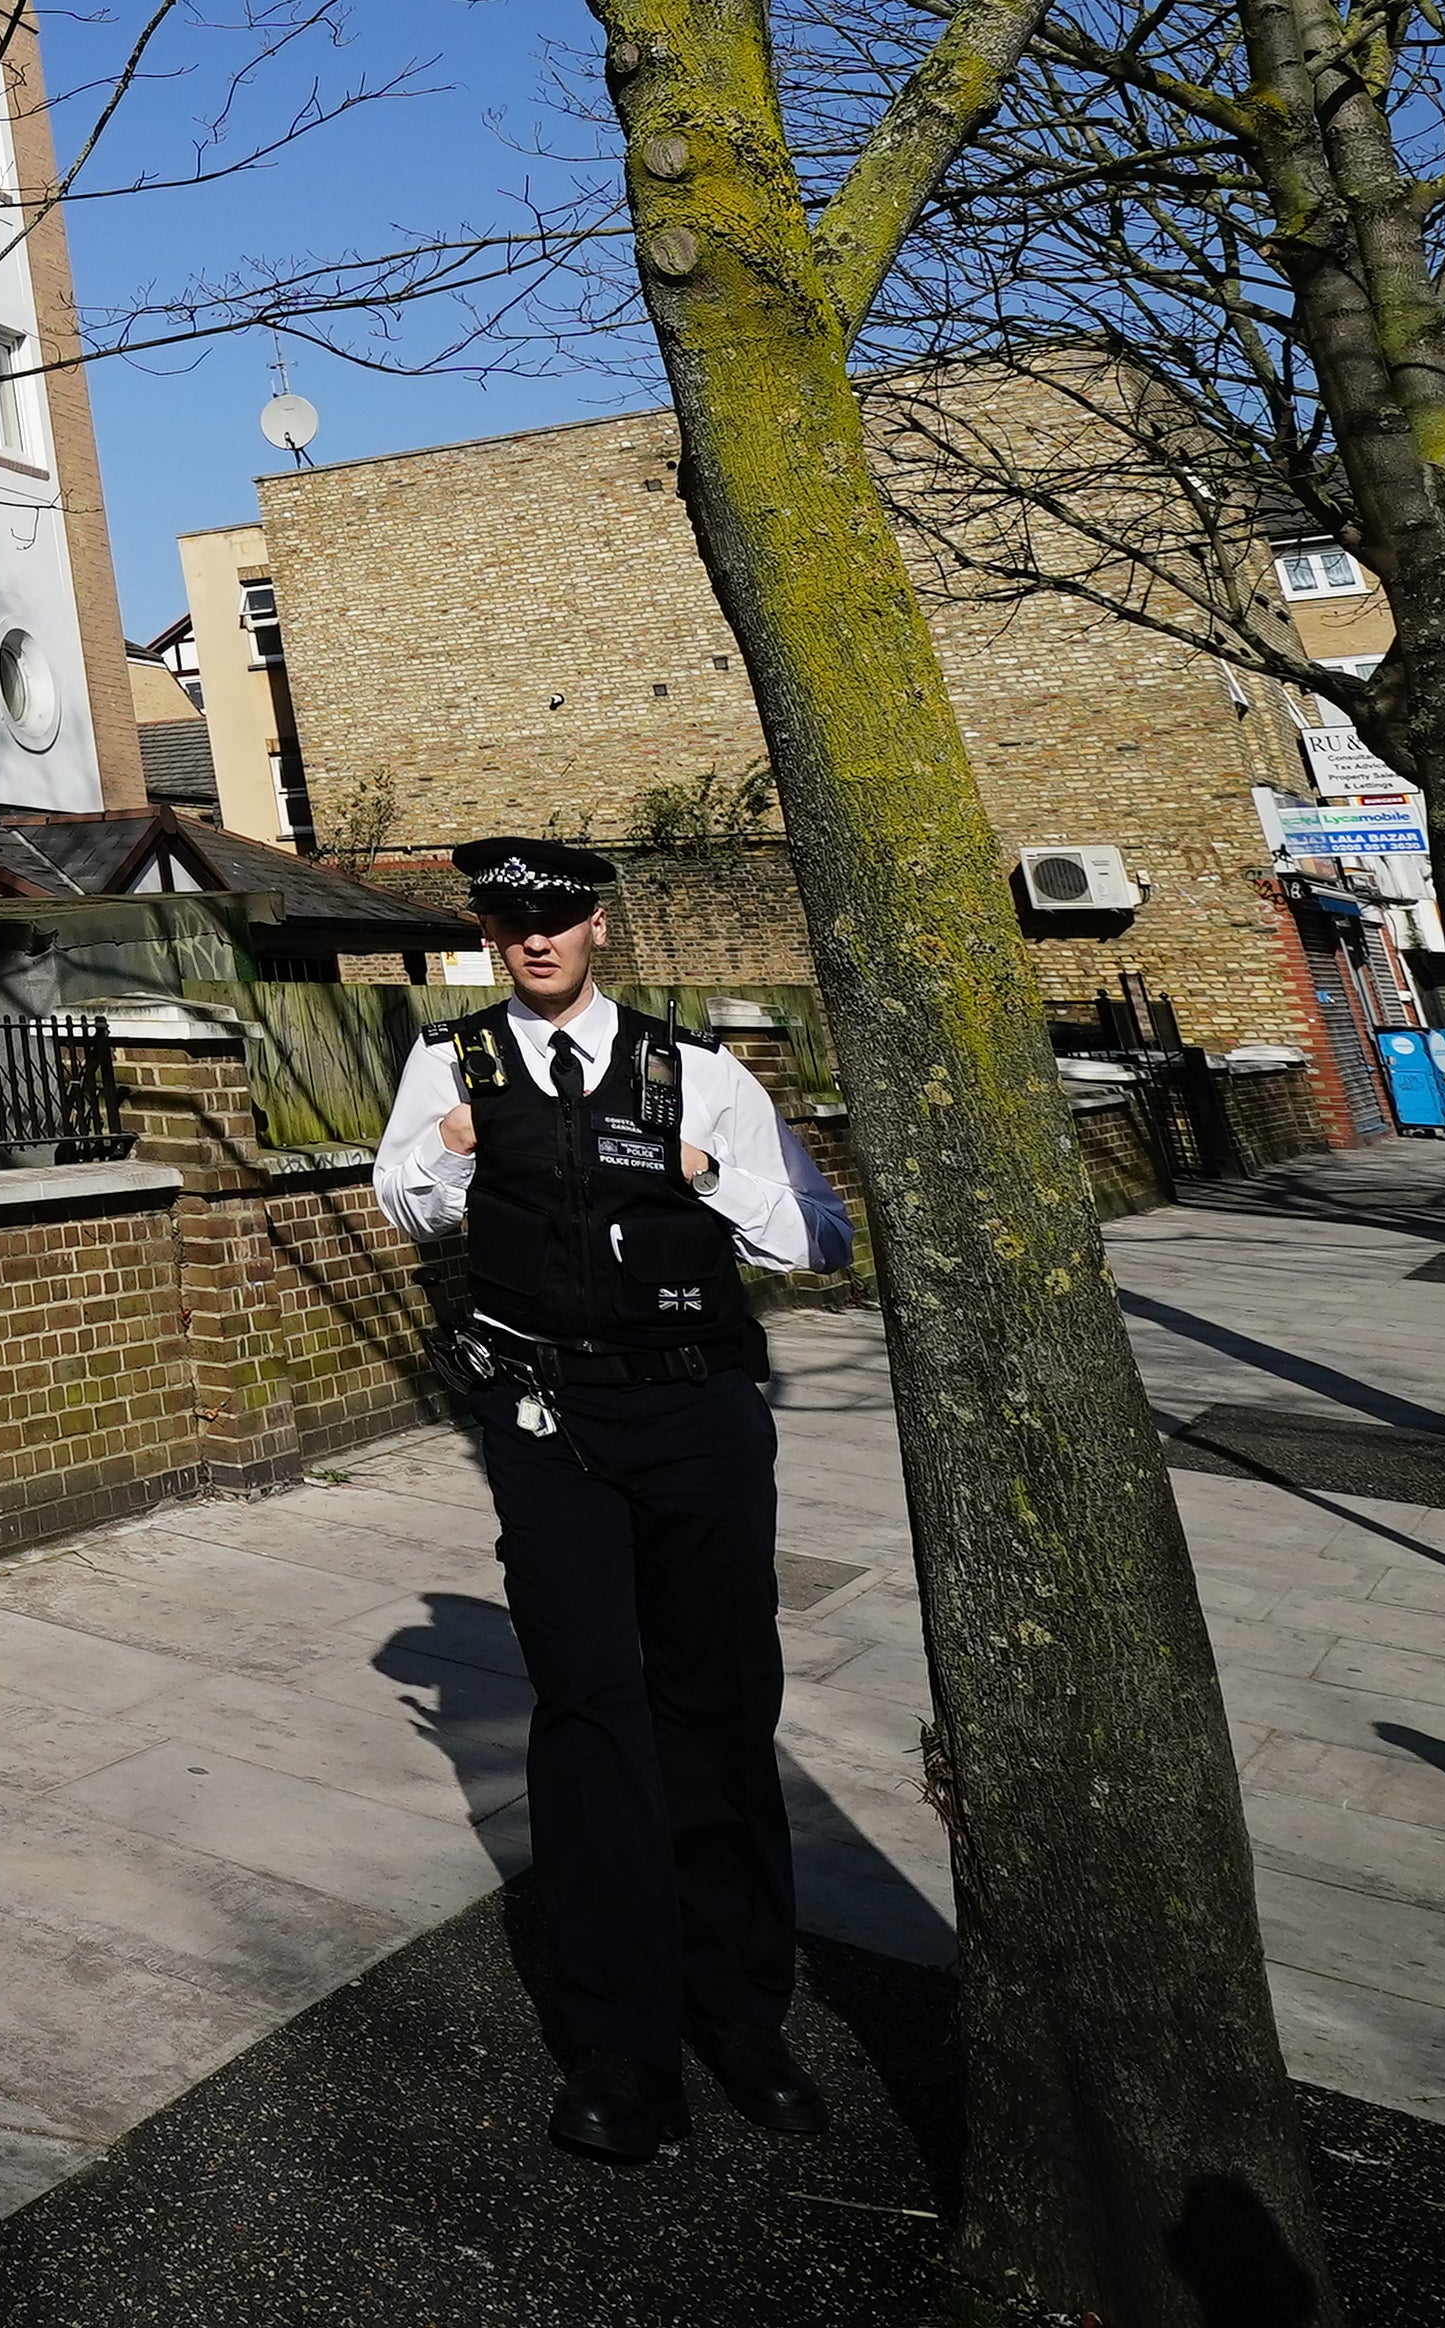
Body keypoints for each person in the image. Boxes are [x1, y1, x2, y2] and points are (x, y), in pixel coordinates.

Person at [370, 832, 847, 2162]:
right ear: (485, 931)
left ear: (597, 929)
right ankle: (621, 2045)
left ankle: (742, 2011)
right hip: (546, 1421)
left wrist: (707, 1173)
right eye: (511, 919)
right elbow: (404, 1209)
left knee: (720, 1702)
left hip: (696, 1414)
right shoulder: (446, 1063)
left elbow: (820, 1235)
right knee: (590, 1715)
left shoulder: (696, 1071)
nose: (536, 939)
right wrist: (458, 1150)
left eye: (561, 917)